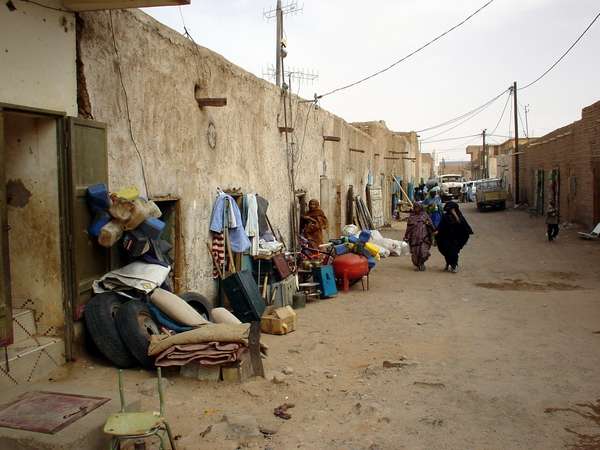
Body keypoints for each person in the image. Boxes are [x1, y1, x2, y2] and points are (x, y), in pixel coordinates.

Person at [436, 201, 473, 273]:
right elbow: (441, 226)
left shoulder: (459, 216)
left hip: (455, 238)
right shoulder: (445, 216)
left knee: (453, 252)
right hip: (446, 238)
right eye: (449, 209)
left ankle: (454, 265)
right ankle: (448, 264)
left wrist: (454, 214)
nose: (450, 211)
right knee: (446, 252)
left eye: (452, 209)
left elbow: (461, 224)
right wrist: (437, 231)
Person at [404, 203, 435, 271]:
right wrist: (406, 236)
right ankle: (418, 265)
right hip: (414, 239)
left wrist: (428, 224)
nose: (416, 209)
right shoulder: (411, 217)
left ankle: (422, 263)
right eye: (415, 207)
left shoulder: (425, 215)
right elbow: (408, 228)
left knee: (423, 252)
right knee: (415, 253)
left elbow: (431, 225)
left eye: (418, 207)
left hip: (424, 238)